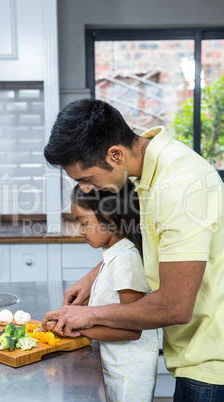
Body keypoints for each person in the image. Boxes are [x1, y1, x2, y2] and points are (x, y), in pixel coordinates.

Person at [42, 98, 224, 400]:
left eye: (86, 179)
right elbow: (146, 242)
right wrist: (95, 275)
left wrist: (90, 317)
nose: (85, 190)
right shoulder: (146, 171)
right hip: (194, 353)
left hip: (209, 361)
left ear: (115, 154)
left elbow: (175, 306)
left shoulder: (180, 186)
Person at [66, 181, 158, 401]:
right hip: (116, 366)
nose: (80, 231)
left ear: (109, 216)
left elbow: (131, 328)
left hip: (129, 375)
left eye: (84, 223)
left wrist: (81, 329)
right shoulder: (115, 255)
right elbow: (111, 303)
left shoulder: (126, 260)